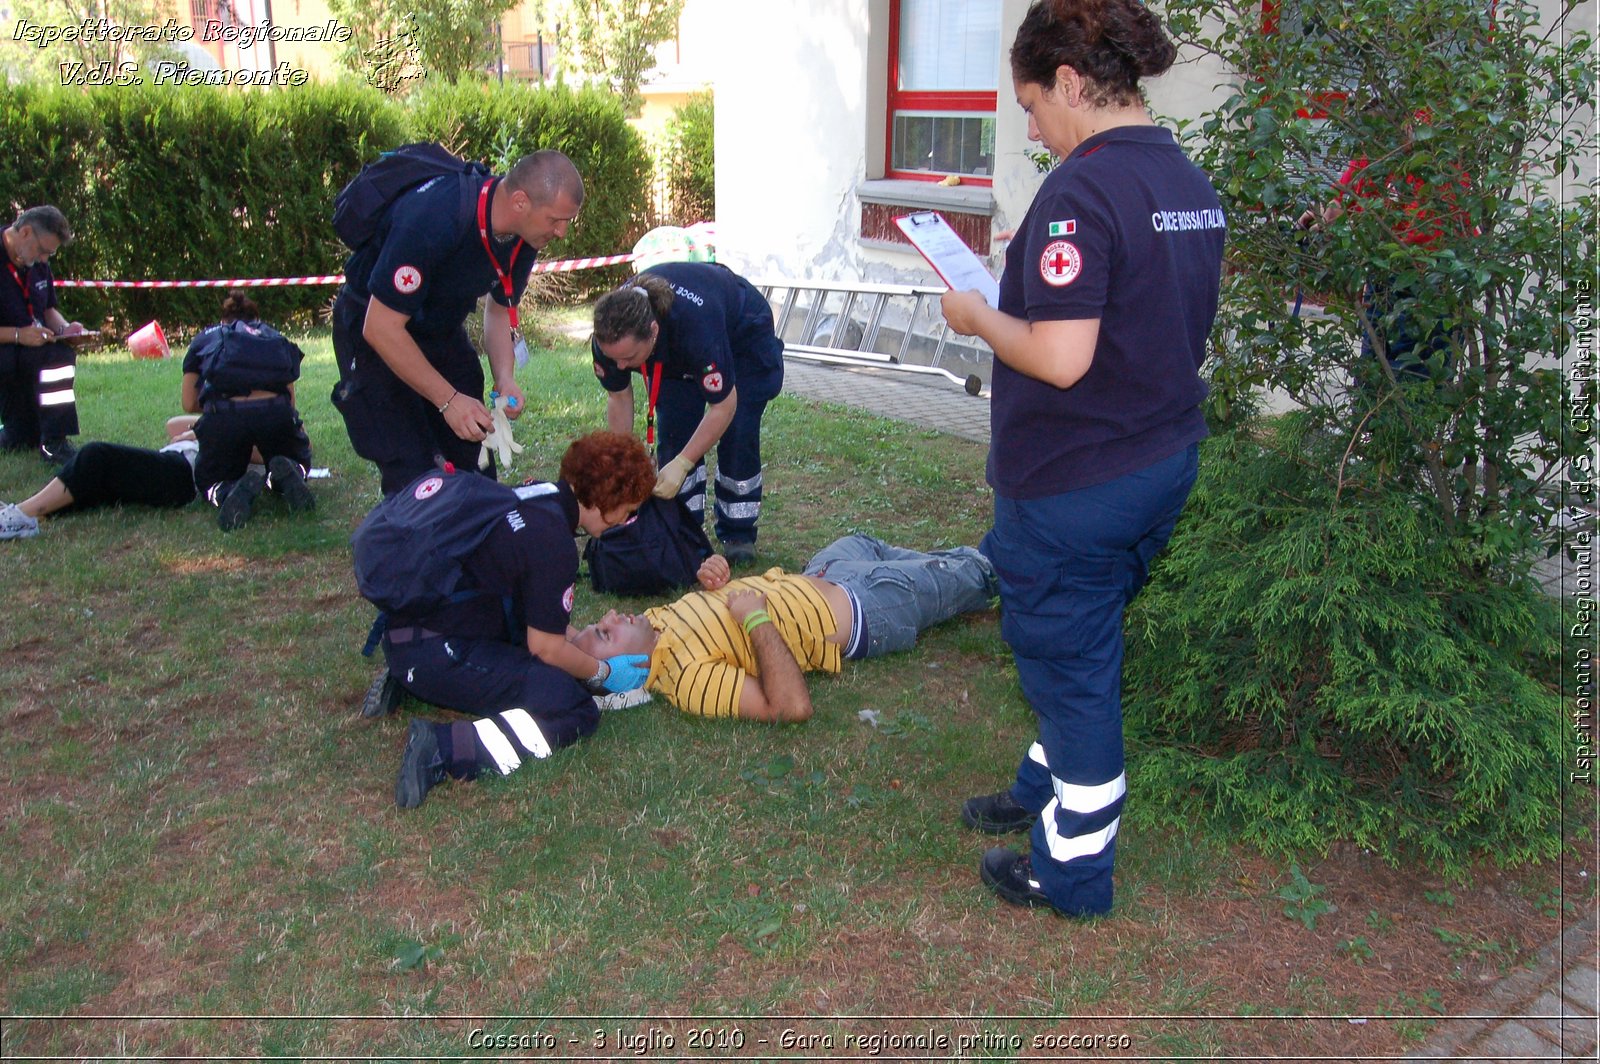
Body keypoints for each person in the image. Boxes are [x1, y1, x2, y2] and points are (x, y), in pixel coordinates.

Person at [937, 0, 1225, 917]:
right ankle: (1044, 782)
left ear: (1070, 83)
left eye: (1031, 105)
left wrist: (979, 315)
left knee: (1067, 656)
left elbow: (1061, 357)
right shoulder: (1185, 179)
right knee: (1082, 642)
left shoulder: (1081, 189)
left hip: (1077, 479)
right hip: (1159, 458)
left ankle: (1070, 870)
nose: (1032, 127)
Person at [392, 534, 997, 806]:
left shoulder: (656, 620)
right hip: (868, 608)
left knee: (863, 537)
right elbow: (791, 708)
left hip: (827, 568)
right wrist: (757, 620)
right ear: (630, 670)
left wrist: (717, 585)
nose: (612, 616)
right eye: (605, 633)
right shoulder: (685, 677)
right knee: (982, 570)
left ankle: (941, 574)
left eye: (600, 621)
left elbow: (711, 611)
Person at [384, 431, 656, 809]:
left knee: (541, 668)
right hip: (436, 652)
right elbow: (545, 647)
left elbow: (539, 618)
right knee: (573, 707)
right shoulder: (554, 543)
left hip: (412, 631)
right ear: (605, 500)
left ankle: (408, 676)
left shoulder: (538, 497)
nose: (626, 521)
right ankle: (444, 748)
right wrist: (603, 673)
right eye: (627, 510)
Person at [331, 149, 584, 496]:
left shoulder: (524, 235)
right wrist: (448, 400)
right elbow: (380, 327)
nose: (562, 232)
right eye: (556, 220)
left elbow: (497, 310)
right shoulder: (434, 217)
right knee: (415, 473)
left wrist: (505, 378)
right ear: (521, 201)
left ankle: (477, 539)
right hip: (375, 329)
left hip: (439, 328)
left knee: (474, 456)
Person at [590, 261, 785, 565]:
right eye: (614, 359)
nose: (621, 367)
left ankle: (738, 532)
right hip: (680, 344)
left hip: (742, 334)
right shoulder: (611, 333)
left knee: (738, 431)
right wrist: (624, 457)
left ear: (653, 333)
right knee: (675, 430)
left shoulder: (698, 328)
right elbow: (618, 395)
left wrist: (683, 463)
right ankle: (684, 528)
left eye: (628, 358)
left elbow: (724, 406)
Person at [1296, 112, 1474, 385]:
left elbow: (1425, 234)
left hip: (1428, 292)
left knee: (1414, 389)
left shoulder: (1439, 165)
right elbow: (1341, 200)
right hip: (1385, 288)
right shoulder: (1376, 154)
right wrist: (1318, 217)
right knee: (1373, 381)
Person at [181, 291, 315, 531]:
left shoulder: (206, 337)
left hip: (225, 415)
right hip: (275, 412)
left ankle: (225, 490)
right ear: (256, 317)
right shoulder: (273, 336)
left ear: (223, 319)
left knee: (210, 479)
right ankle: (284, 476)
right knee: (296, 459)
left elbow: (189, 402)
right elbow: (289, 402)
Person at [0, 415, 205, 539]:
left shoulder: (233, 425)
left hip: (184, 470)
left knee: (96, 455)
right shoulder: (219, 418)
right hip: (174, 461)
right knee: (92, 483)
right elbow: (173, 425)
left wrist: (208, 427)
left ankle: (20, 515)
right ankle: (24, 516)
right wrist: (208, 421)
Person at [0, 206, 85, 464]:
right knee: (57, 357)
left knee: (23, 435)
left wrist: (65, 329)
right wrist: (17, 335)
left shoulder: (36, 263)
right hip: (7, 350)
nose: (45, 259)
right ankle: (55, 443)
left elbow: (48, 308)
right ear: (25, 233)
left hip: (29, 351)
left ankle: (44, 436)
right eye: (43, 251)